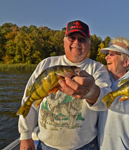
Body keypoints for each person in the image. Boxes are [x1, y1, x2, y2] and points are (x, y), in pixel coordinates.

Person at [18, 20, 111, 150]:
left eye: (82, 39)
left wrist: (92, 92)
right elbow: (29, 101)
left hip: (85, 145)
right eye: (72, 38)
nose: (76, 42)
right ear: (64, 42)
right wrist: (25, 135)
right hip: (46, 145)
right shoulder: (46, 64)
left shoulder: (97, 68)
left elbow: (106, 101)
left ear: (89, 44)